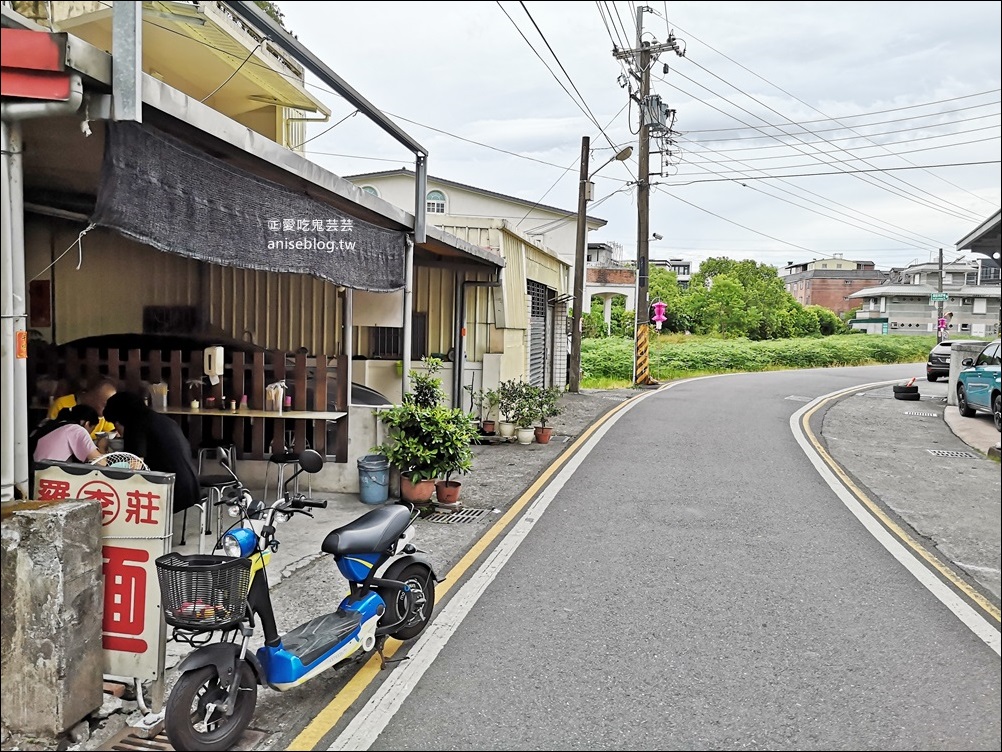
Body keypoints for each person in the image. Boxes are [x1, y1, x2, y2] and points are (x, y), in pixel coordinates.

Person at [102, 391, 201, 513]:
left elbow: (135, 466)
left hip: (171, 491)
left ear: (121, 417)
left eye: (115, 423)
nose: (116, 430)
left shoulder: (136, 424)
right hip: (191, 485)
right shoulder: (162, 419)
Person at [31, 404, 106, 465]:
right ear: (87, 423)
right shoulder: (77, 430)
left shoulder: (48, 423)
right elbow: (101, 463)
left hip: (33, 472)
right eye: (92, 429)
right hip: (50, 476)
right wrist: (102, 446)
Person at [47, 376, 118, 439]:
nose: (108, 411)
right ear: (92, 397)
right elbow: (49, 434)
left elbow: (111, 432)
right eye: (105, 405)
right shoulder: (62, 404)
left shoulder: (104, 416)